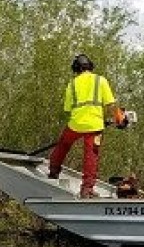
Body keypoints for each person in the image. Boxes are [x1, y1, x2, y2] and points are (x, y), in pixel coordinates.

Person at [49, 54, 119, 199]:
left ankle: (53, 170)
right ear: (90, 66)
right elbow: (111, 105)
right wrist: (119, 118)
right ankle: (87, 189)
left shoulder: (72, 84)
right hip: (94, 126)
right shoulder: (100, 80)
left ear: (76, 69)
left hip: (75, 124)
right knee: (90, 156)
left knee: (63, 144)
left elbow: (68, 109)